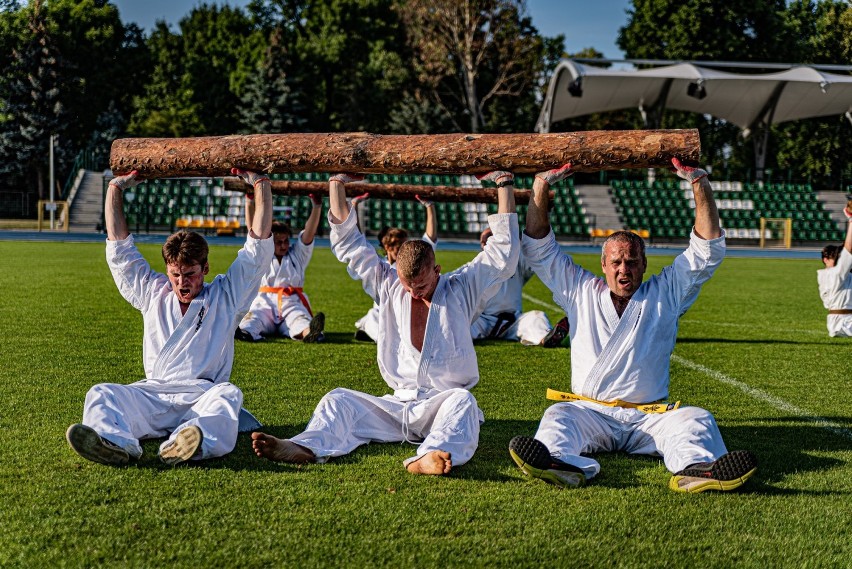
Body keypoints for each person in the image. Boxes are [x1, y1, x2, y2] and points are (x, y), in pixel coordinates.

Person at [508, 159, 757, 493]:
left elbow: (706, 250)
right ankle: (558, 463)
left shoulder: (666, 293)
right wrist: (540, 183)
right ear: (603, 265)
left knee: (697, 418)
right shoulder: (579, 291)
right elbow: (538, 246)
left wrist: (699, 181)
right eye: (616, 262)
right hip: (591, 412)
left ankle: (698, 470)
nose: (623, 269)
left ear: (644, 264)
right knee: (558, 415)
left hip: (649, 416)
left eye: (631, 261)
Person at [250, 170, 519, 475]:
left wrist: (505, 185)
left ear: (437, 271)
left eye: (422, 286)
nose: (415, 293)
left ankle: (430, 454)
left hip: (442, 403)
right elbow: (350, 245)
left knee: (465, 403)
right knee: (338, 399)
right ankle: (305, 445)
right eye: (409, 286)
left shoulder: (462, 287)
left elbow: (503, 254)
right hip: (397, 402)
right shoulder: (389, 283)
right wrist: (336, 184)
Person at [65, 168, 274, 466]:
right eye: (175, 275)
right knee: (101, 394)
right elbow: (120, 248)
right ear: (167, 271)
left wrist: (262, 184)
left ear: (205, 269)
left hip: (202, 396)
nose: (181, 282)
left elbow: (257, 250)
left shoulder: (227, 296)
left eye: (189, 274)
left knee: (228, 395)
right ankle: (115, 444)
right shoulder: (152, 292)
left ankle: (185, 443)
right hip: (154, 395)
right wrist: (115, 187)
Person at [235, 192, 325, 343]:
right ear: (270, 242)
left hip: (291, 301)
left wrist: (317, 206)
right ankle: (245, 332)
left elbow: (309, 234)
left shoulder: (297, 255)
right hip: (264, 301)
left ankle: (311, 333)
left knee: (298, 319)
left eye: (286, 241)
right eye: (278, 242)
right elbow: (253, 231)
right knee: (254, 318)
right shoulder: (262, 254)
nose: (283, 245)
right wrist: (249, 202)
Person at [352, 193, 438, 342]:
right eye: (397, 245)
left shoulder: (416, 262)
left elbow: (430, 238)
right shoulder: (380, 266)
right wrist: (354, 205)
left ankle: (366, 327)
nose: (402, 249)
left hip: (407, 310)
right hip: (382, 312)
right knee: (384, 332)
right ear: (387, 247)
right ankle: (367, 325)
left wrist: (429, 206)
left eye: (404, 244)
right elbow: (358, 242)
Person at [471, 226, 570, 348]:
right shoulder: (477, 266)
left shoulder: (516, 263)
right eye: (484, 240)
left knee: (536, 317)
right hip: (483, 320)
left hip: (514, 321)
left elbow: (533, 254)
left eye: (491, 237)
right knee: (463, 325)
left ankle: (546, 338)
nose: (487, 241)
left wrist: (510, 236)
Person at [817, 200, 852, 337]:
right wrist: (850, 220)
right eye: (834, 256)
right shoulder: (836, 274)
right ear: (825, 260)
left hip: (840, 321)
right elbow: (849, 247)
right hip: (844, 322)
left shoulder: (828, 274)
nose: (838, 258)